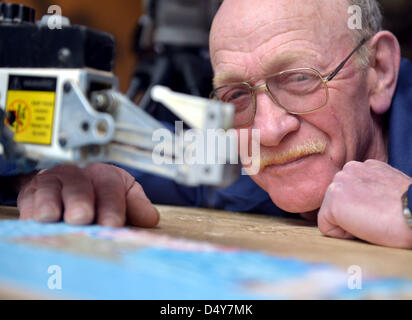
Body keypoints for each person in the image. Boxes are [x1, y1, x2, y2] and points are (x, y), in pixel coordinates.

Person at [5, 0, 412, 249]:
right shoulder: (227, 154)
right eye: (236, 94)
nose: (267, 132)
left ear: (379, 70)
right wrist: (40, 174)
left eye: (300, 79)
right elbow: (116, 163)